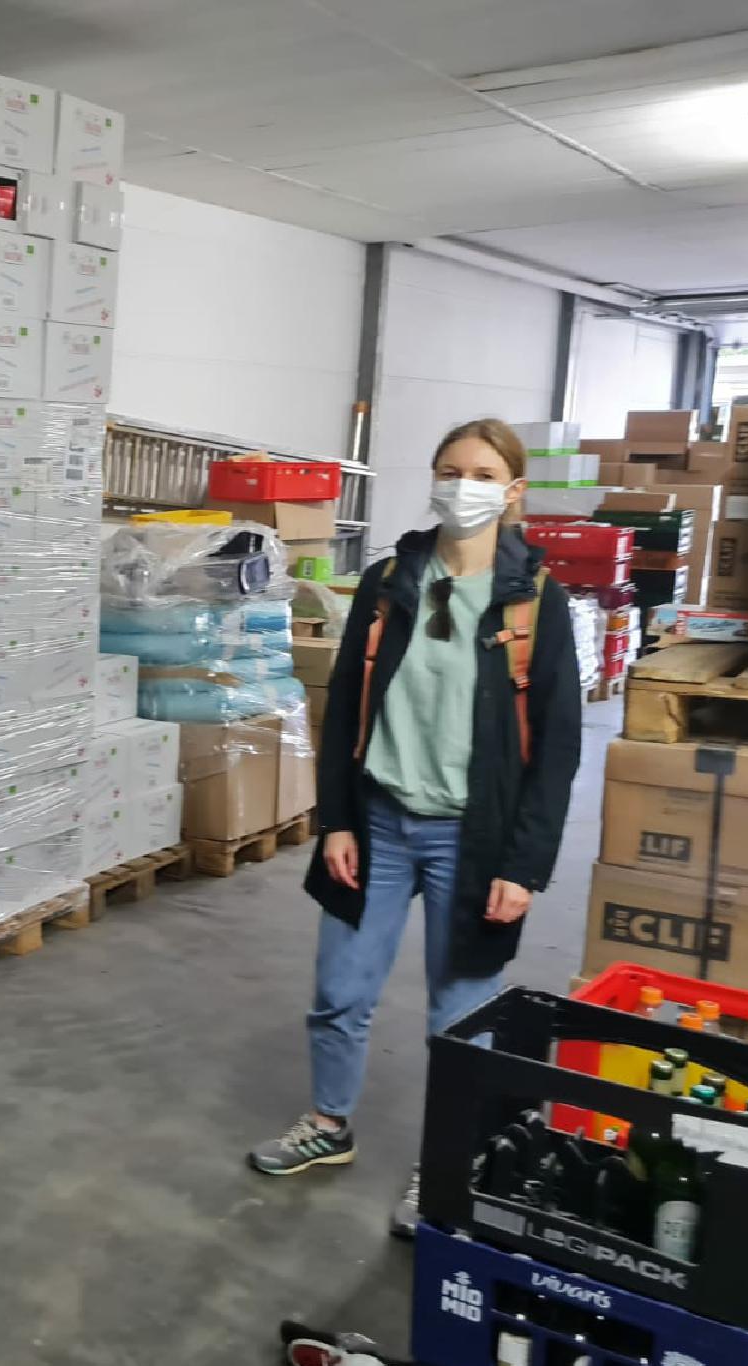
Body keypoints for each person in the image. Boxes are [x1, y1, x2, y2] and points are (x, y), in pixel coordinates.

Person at [247, 419, 582, 1237]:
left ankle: (449, 1161)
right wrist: (337, 821)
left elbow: (559, 746)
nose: (462, 485)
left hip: (475, 839)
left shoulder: (535, 601)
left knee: (460, 1020)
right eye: (449, 469)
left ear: (513, 491)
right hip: (380, 826)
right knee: (340, 992)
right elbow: (344, 714)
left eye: (482, 474)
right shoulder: (391, 579)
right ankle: (329, 1124)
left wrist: (524, 866)